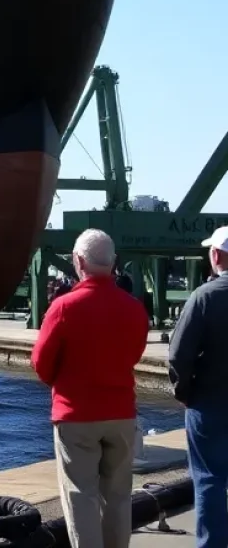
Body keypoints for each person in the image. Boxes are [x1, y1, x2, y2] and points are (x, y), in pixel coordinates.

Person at [30, 229, 150, 548]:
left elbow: (42, 363)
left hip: (76, 414)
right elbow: (134, 355)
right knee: (119, 496)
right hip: (121, 413)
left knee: (81, 496)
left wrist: (63, 383)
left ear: (78, 261)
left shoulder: (64, 307)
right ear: (113, 263)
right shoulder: (134, 308)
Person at [168, 225, 228, 548]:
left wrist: (184, 392)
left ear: (215, 255)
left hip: (209, 405)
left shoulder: (204, 298)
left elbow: (178, 355)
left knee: (209, 480)